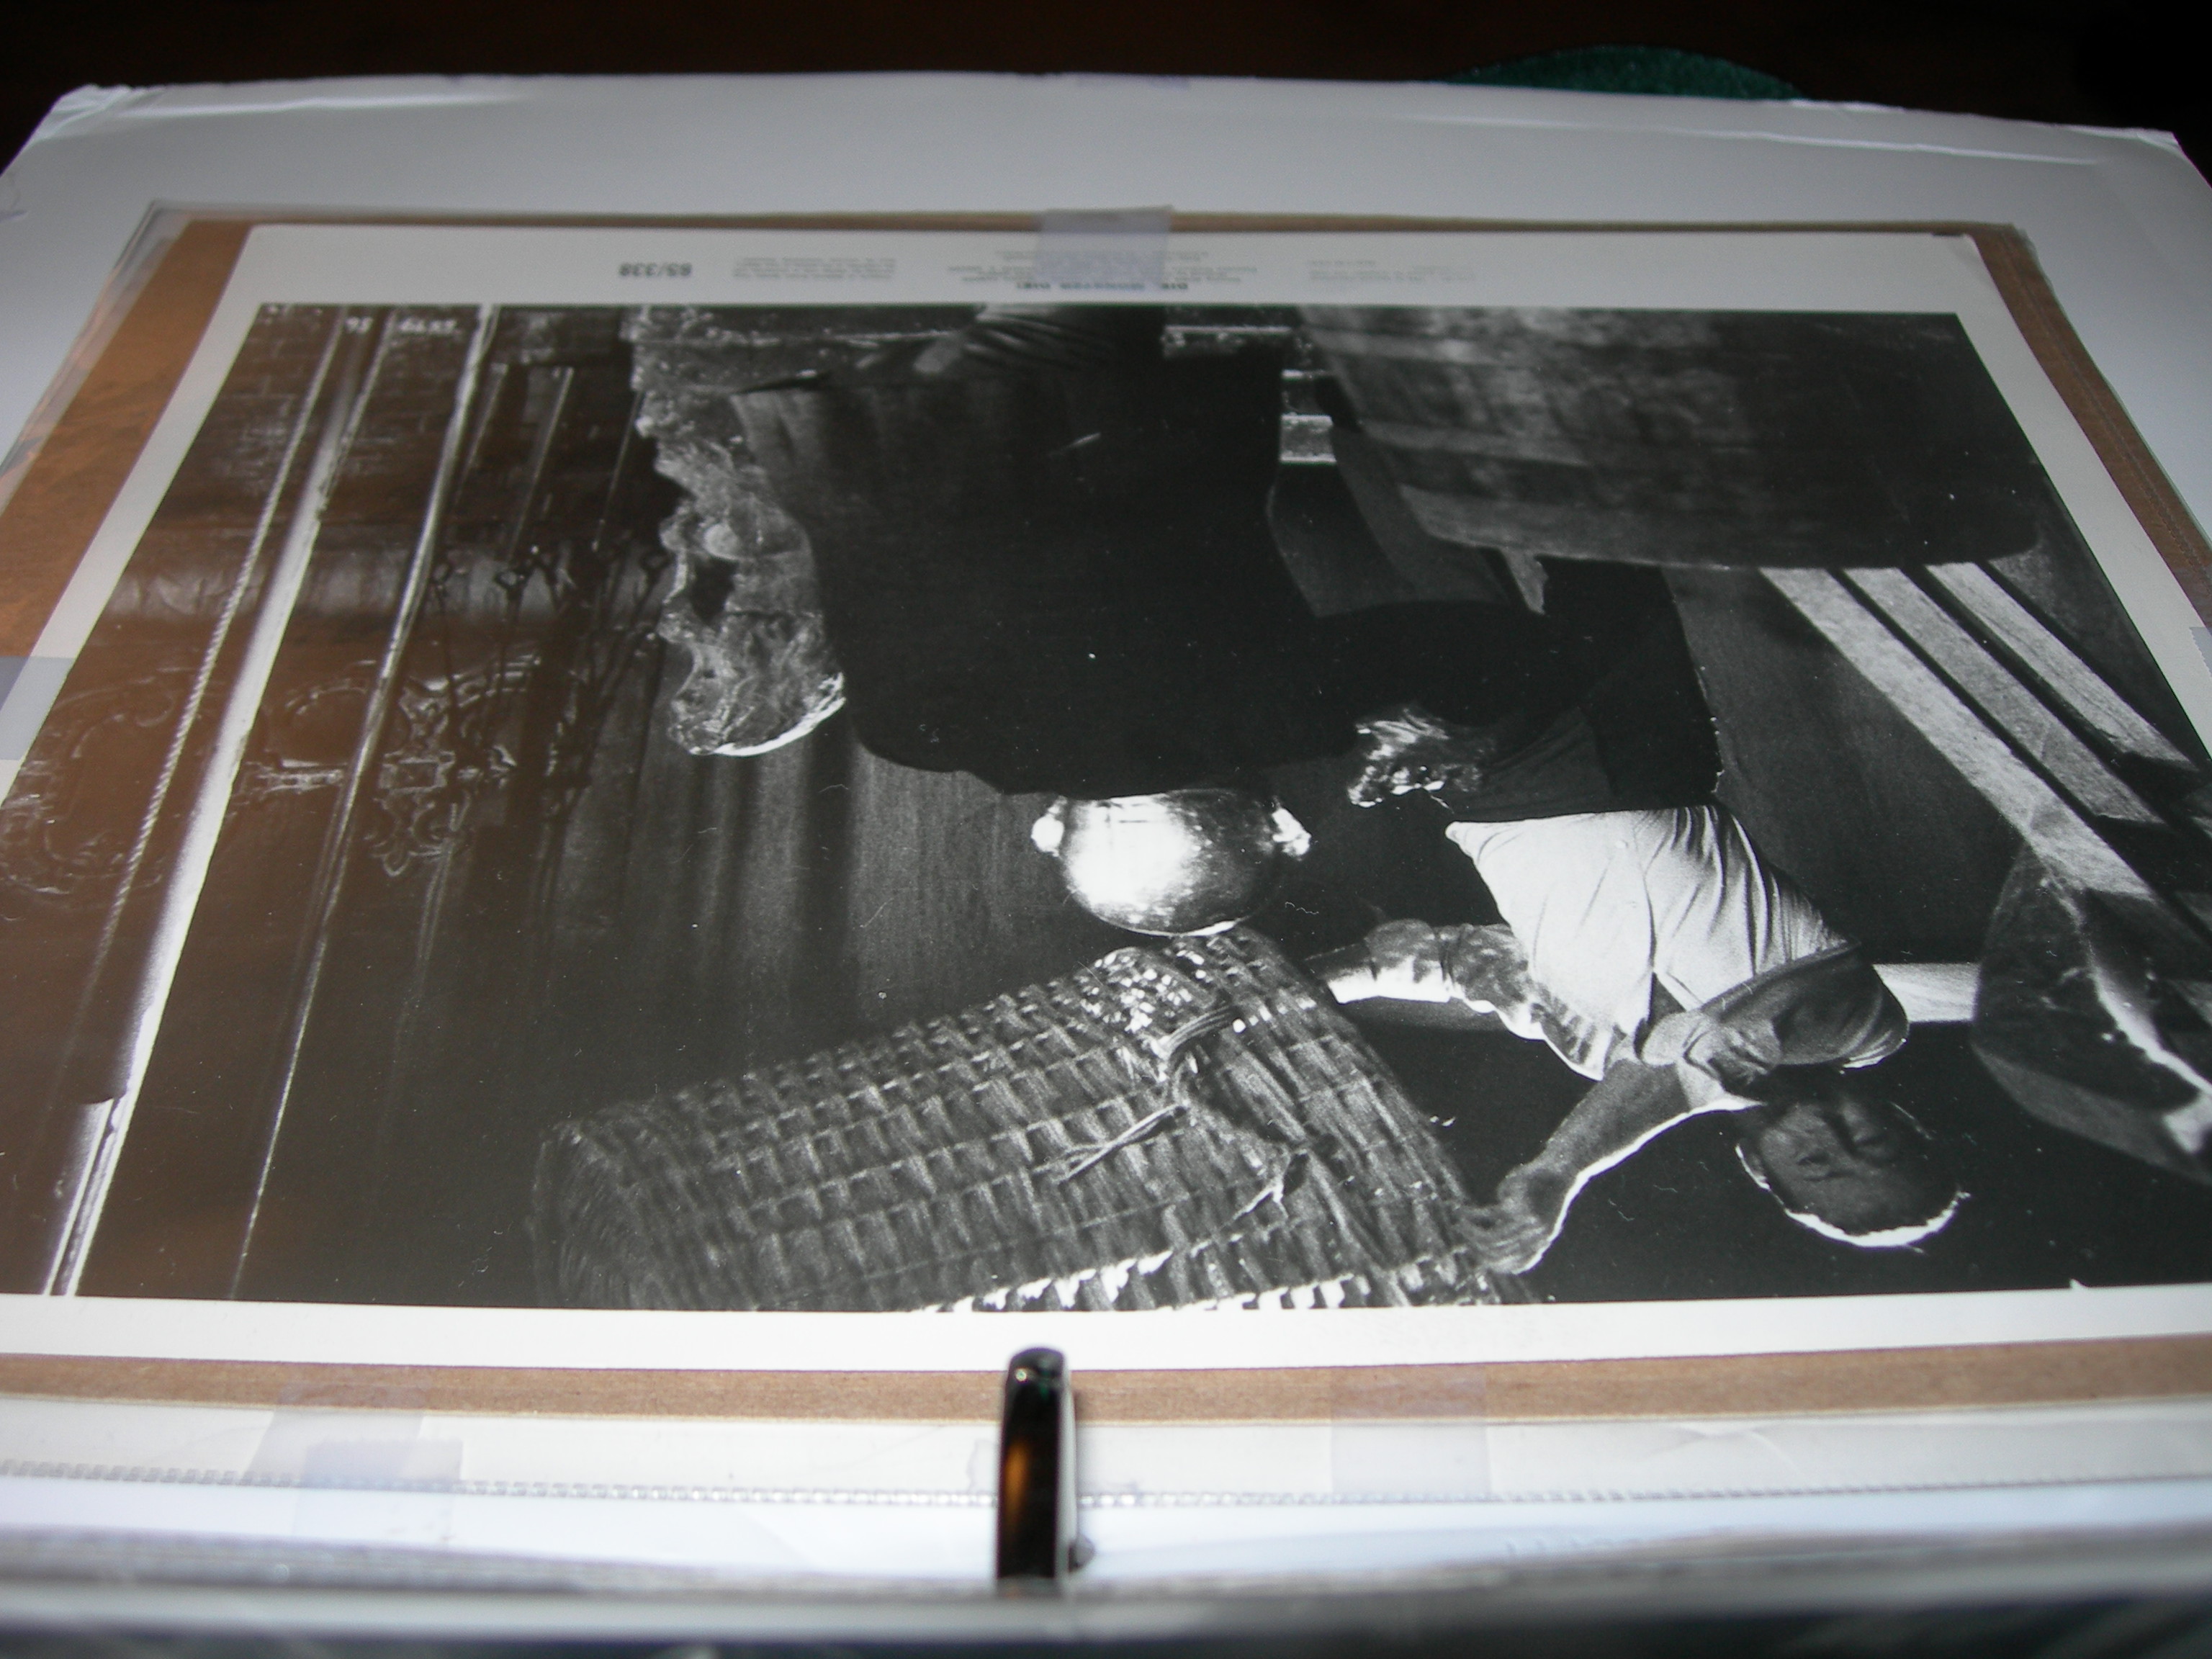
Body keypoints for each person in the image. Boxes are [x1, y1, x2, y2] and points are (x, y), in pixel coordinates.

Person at [1326, 803, 1963, 1267]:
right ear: (1902, 1116)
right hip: (1604, 757)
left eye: (1814, 1162)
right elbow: (1705, 1051)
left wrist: (1313, 981)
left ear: (1757, 1168)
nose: (1826, 1131)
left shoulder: (1598, 1058)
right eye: (1872, 1140)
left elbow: (1461, 962)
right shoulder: (1861, 1025)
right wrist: (1559, 1171)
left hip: (1481, 804)